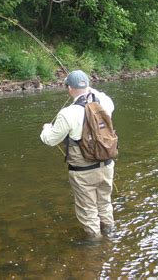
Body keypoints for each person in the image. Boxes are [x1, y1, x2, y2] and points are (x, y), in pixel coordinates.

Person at [40, 70, 115, 238]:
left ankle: (94, 246)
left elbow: (50, 140)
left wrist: (46, 130)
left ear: (69, 89)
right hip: (107, 165)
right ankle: (110, 234)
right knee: (105, 203)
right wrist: (88, 88)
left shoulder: (67, 113)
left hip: (83, 172)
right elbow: (98, 93)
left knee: (88, 210)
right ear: (88, 86)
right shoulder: (106, 103)